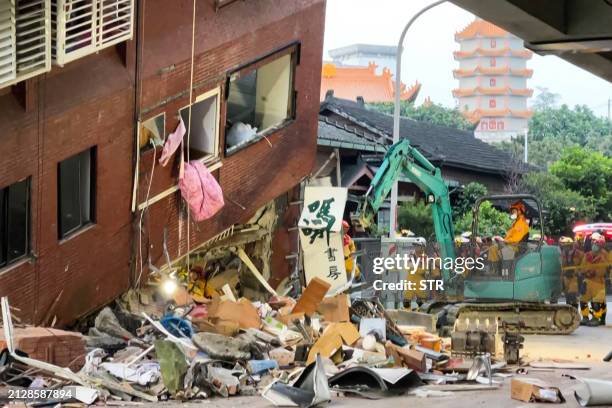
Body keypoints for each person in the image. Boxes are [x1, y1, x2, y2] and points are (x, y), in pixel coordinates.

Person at [579, 233, 610, 326]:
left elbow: (604, 270)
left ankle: (597, 318)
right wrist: (584, 272)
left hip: (598, 282)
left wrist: (593, 272)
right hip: (587, 281)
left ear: (600, 245)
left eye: (595, 243)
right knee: (583, 299)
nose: (593, 245)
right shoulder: (588, 254)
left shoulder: (604, 255)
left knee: (597, 301)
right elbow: (582, 267)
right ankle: (585, 317)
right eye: (593, 243)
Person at [559, 236, 583, 311]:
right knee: (568, 296)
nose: (564, 247)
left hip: (574, 277)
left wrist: (579, 271)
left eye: (566, 246)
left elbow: (584, 264)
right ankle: (569, 311)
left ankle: (575, 311)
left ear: (570, 245)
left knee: (573, 295)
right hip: (566, 277)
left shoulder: (579, 253)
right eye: (564, 246)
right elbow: (562, 265)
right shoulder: (563, 253)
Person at [404, 242, 428, 310]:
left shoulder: (425, 257)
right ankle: (407, 314)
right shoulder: (411, 255)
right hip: (410, 281)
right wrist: (417, 267)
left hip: (420, 282)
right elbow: (407, 267)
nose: (416, 247)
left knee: (421, 302)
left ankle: (421, 314)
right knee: (406, 301)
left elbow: (423, 270)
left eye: (418, 246)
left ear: (423, 247)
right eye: (415, 245)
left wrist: (414, 267)